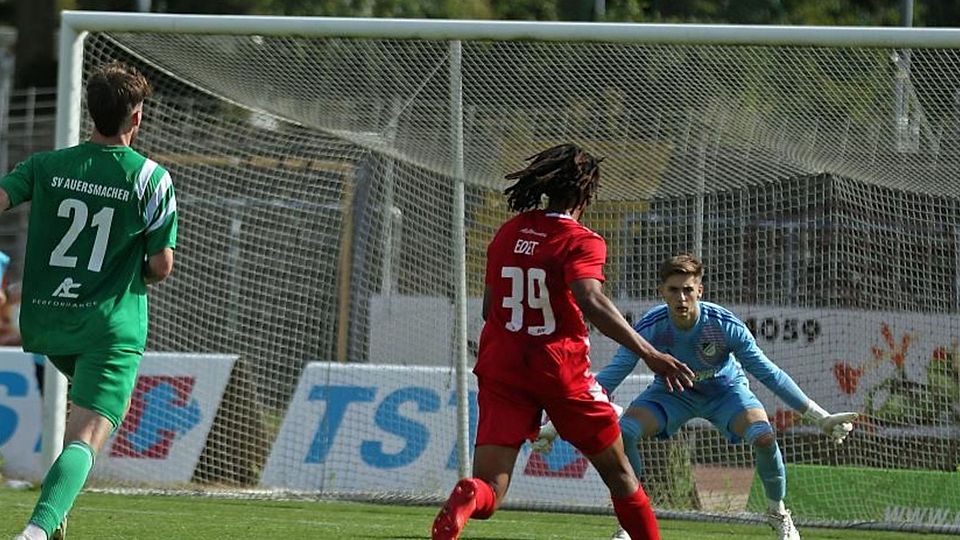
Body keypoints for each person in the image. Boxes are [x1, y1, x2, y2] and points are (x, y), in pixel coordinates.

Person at [430, 144, 696, 540]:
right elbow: (590, 299)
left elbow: (490, 308)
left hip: (501, 366)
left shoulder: (508, 232)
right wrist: (649, 352)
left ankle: (471, 494)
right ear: (587, 193)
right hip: (559, 369)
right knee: (620, 474)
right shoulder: (581, 240)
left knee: (491, 488)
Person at [534, 253, 858, 540]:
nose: (681, 298)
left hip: (725, 392)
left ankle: (778, 514)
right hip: (671, 394)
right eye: (674, 290)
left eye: (688, 290)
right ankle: (630, 522)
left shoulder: (724, 326)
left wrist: (822, 417)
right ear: (662, 292)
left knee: (763, 437)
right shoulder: (651, 327)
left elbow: (769, 373)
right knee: (625, 433)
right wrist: (556, 425)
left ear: (699, 291)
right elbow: (609, 378)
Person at [7, 61, 177, 540]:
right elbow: (161, 267)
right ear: (137, 117)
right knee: (86, 437)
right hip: (109, 326)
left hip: (52, 322)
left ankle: (55, 520)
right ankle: (35, 533)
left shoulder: (45, 166)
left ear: (91, 112)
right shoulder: (151, 178)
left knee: (78, 422)